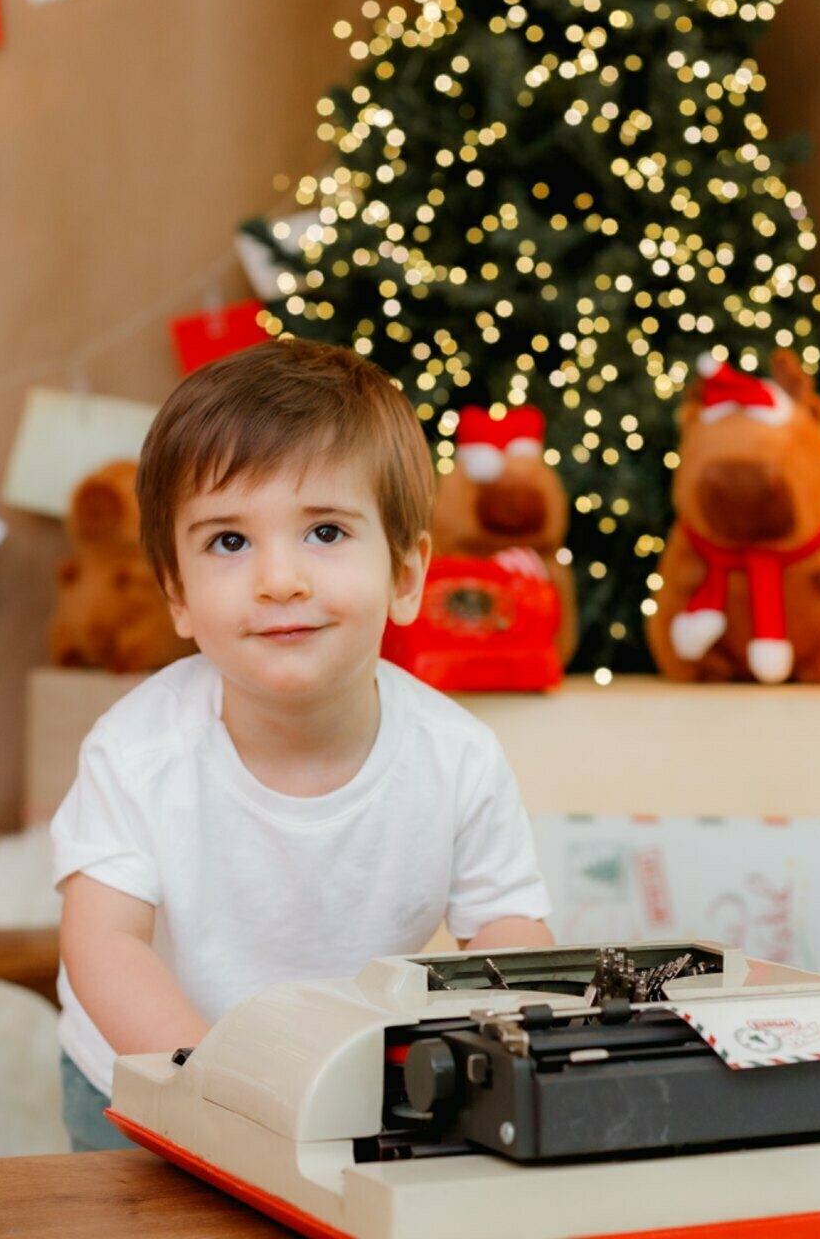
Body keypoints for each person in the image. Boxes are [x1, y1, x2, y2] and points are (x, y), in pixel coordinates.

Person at [51, 337, 555, 1150]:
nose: (279, 579)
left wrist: (483, 1054)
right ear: (177, 593)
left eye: (324, 531)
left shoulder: (456, 757)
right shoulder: (136, 749)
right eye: (228, 541)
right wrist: (217, 1083)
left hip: (346, 1086)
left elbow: (507, 931)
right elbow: (103, 941)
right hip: (146, 1072)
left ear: (405, 572)